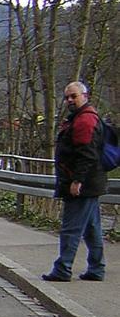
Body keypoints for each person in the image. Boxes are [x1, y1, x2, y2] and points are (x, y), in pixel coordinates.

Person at [42, 81, 107, 282]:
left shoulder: (84, 121)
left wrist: (77, 180)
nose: (70, 100)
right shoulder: (82, 118)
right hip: (91, 182)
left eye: (74, 96)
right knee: (91, 228)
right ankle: (96, 268)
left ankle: (63, 268)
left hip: (82, 184)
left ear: (84, 96)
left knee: (71, 228)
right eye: (67, 97)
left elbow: (86, 154)